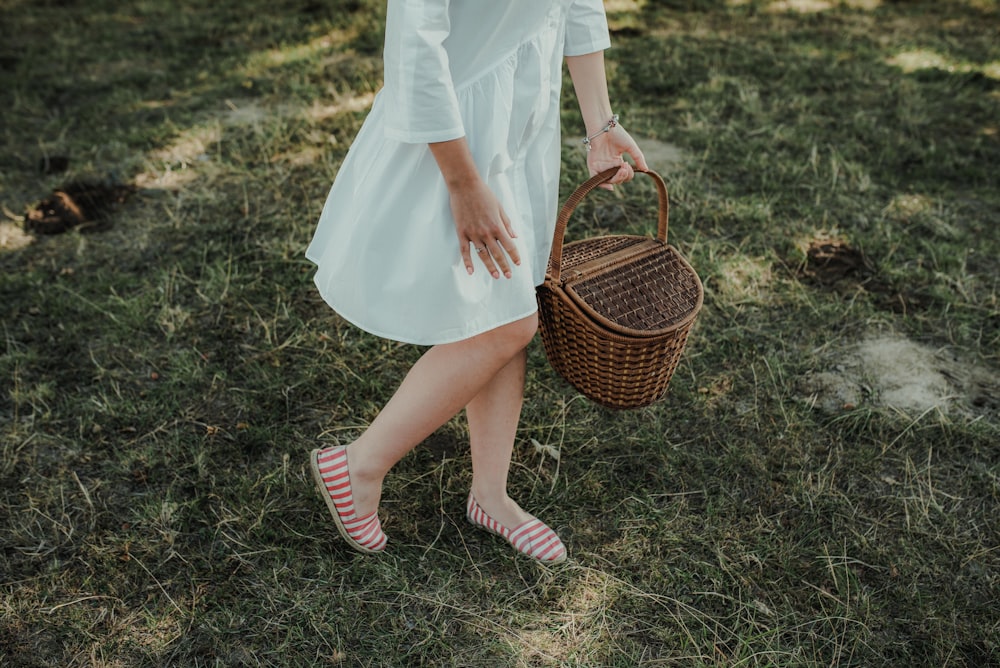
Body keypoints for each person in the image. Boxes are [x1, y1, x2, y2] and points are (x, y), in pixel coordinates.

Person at [306, 0, 648, 564]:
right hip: (452, 135)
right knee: (511, 322)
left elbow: (578, 3)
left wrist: (600, 124)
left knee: (504, 305)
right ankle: (358, 465)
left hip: (521, 122)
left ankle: (490, 493)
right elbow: (415, 46)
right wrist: (463, 182)